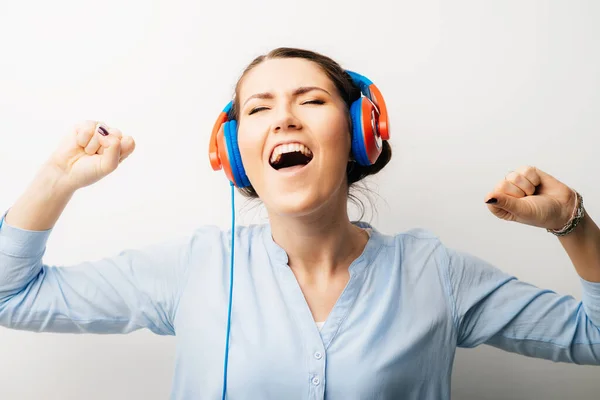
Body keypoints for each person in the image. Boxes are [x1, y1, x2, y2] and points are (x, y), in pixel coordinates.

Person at [0, 47, 599, 400]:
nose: (283, 118)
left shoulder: (434, 272)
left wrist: (573, 222)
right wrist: (57, 179)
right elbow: (10, 296)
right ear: (235, 152)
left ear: (361, 131)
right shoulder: (193, 267)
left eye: (311, 101)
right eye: (258, 109)